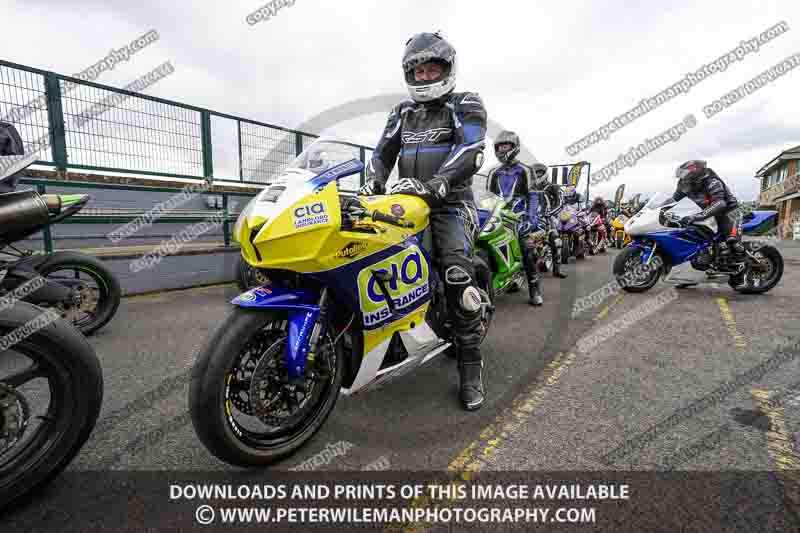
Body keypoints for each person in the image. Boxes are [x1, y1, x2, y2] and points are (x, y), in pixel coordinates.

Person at [359, 32, 487, 411]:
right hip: (404, 201)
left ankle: (470, 364)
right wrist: (371, 183)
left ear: (447, 69)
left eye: (433, 69)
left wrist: (436, 185)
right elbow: (383, 153)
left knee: (456, 276)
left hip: (451, 203)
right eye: (418, 71)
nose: (426, 76)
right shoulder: (401, 112)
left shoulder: (465, 102)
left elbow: (471, 150)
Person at [486, 131, 542, 306]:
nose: (502, 149)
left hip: (519, 217)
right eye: (499, 146)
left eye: (505, 146)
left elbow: (533, 196)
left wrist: (531, 219)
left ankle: (535, 290)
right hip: (498, 214)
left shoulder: (525, 170)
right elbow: (488, 195)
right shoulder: (494, 172)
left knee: (527, 250)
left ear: (514, 147)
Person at [672, 160, 744, 261]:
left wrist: (697, 216)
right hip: (710, 214)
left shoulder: (712, 181)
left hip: (729, 212)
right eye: (682, 176)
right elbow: (672, 200)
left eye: (685, 175)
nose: (683, 179)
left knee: (733, 242)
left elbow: (720, 203)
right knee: (697, 237)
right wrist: (656, 209)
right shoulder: (684, 185)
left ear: (694, 173)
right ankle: (710, 259)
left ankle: (743, 268)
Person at [529, 163, 568, 279]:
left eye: (539, 173)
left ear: (544, 173)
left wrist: (549, 213)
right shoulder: (528, 188)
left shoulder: (553, 187)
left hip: (547, 218)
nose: (537, 175)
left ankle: (557, 270)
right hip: (530, 218)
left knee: (556, 241)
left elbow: (560, 202)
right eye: (534, 173)